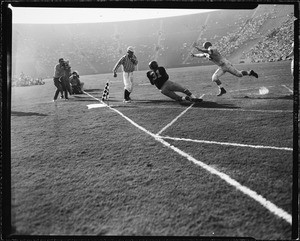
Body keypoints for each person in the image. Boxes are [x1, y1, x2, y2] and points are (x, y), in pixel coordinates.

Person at [191, 41, 258, 96]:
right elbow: (202, 55)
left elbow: (209, 51)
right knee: (214, 78)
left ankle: (250, 72)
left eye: (204, 47)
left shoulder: (212, 48)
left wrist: (200, 49)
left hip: (226, 64)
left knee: (239, 74)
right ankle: (222, 89)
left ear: (207, 46)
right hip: (221, 67)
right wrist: (194, 55)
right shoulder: (207, 52)